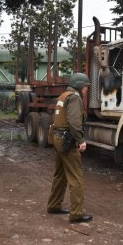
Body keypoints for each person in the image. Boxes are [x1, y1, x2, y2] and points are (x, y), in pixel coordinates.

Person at [46, 73, 93, 224]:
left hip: (58, 138)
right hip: (67, 140)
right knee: (76, 177)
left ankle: (54, 205)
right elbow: (74, 121)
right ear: (80, 86)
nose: (86, 90)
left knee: (60, 174)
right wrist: (81, 140)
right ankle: (77, 213)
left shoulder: (63, 96)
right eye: (86, 87)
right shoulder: (74, 97)